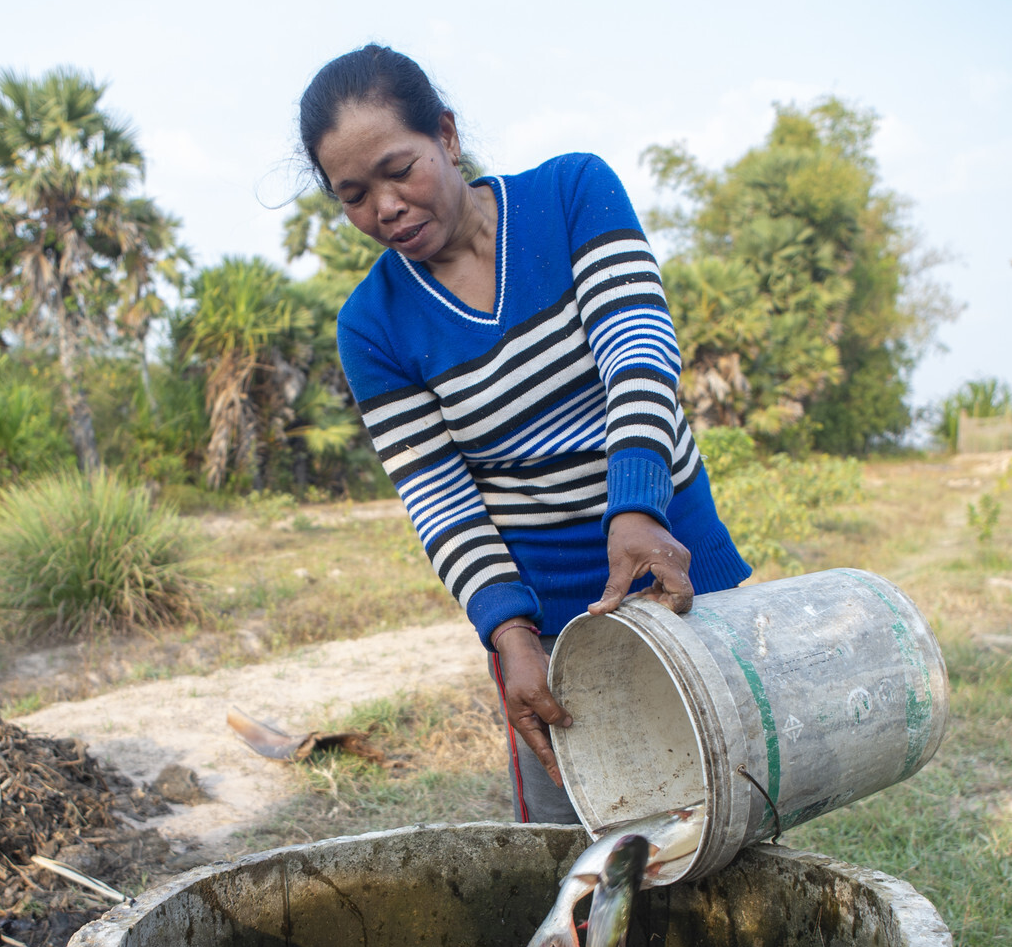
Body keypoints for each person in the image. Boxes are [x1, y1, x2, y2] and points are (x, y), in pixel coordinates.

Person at [300, 44, 750, 824]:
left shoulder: (571, 194)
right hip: (547, 626)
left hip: (675, 563)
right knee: (587, 850)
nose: (386, 207)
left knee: (730, 813)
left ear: (445, 135)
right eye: (353, 195)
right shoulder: (371, 325)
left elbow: (635, 347)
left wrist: (638, 508)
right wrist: (510, 634)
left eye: (398, 168)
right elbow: (440, 499)